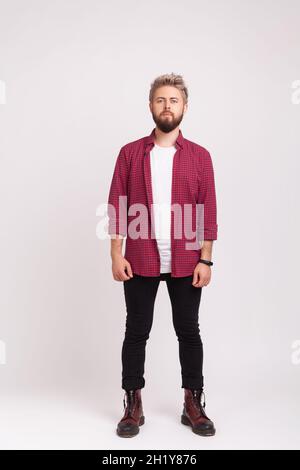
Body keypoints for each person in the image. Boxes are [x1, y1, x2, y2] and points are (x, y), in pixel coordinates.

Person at [107, 73, 218, 438]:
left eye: (173, 100)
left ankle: (193, 402)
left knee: (189, 331)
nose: (167, 106)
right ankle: (132, 403)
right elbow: (117, 204)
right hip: (140, 258)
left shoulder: (200, 157)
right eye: (160, 100)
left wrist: (206, 258)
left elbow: (207, 210)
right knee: (136, 330)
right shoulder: (130, 153)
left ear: (184, 106)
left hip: (187, 261)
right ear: (151, 106)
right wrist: (115, 253)